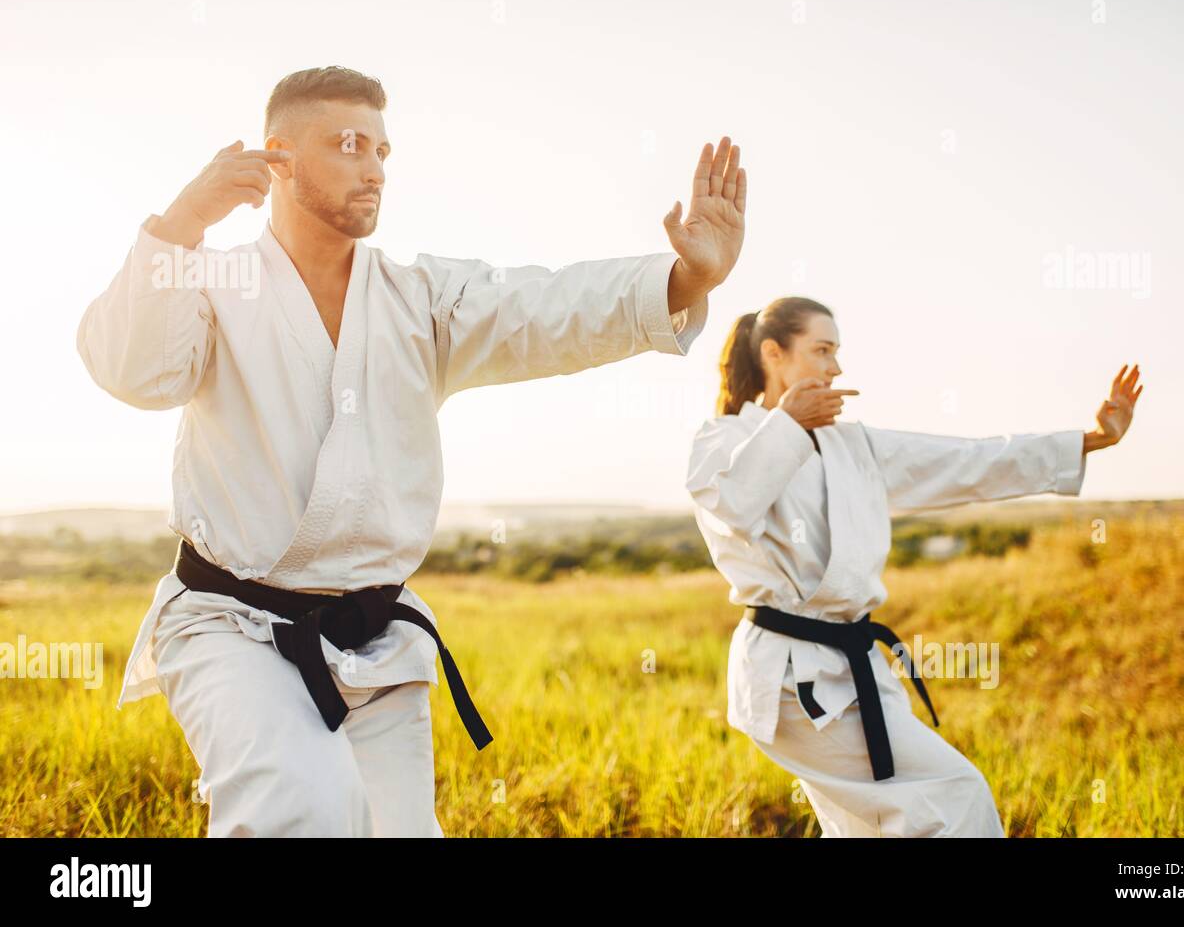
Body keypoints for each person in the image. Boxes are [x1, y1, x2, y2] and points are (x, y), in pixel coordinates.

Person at [76, 65, 747, 837]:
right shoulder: (212, 283)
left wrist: (682, 277)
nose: (374, 168)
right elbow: (131, 369)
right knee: (300, 807)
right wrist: (184, 218)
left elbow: (544, 306)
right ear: (280, 157)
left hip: (375, 635)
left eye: (383, 151)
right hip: (233, 624)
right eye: (351, 144)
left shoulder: (419, 299)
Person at [685, 297, 1141, 836]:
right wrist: (785, 423)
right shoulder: (723, 440)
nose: (836, 368)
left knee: (865, 828)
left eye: (838, 353)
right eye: (823, 350)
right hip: (791, 678)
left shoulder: (853, 445)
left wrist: (1092, 440)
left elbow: (969, 461)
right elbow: (733, 507)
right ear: (773, 353)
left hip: (854, 667)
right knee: (956, 796)